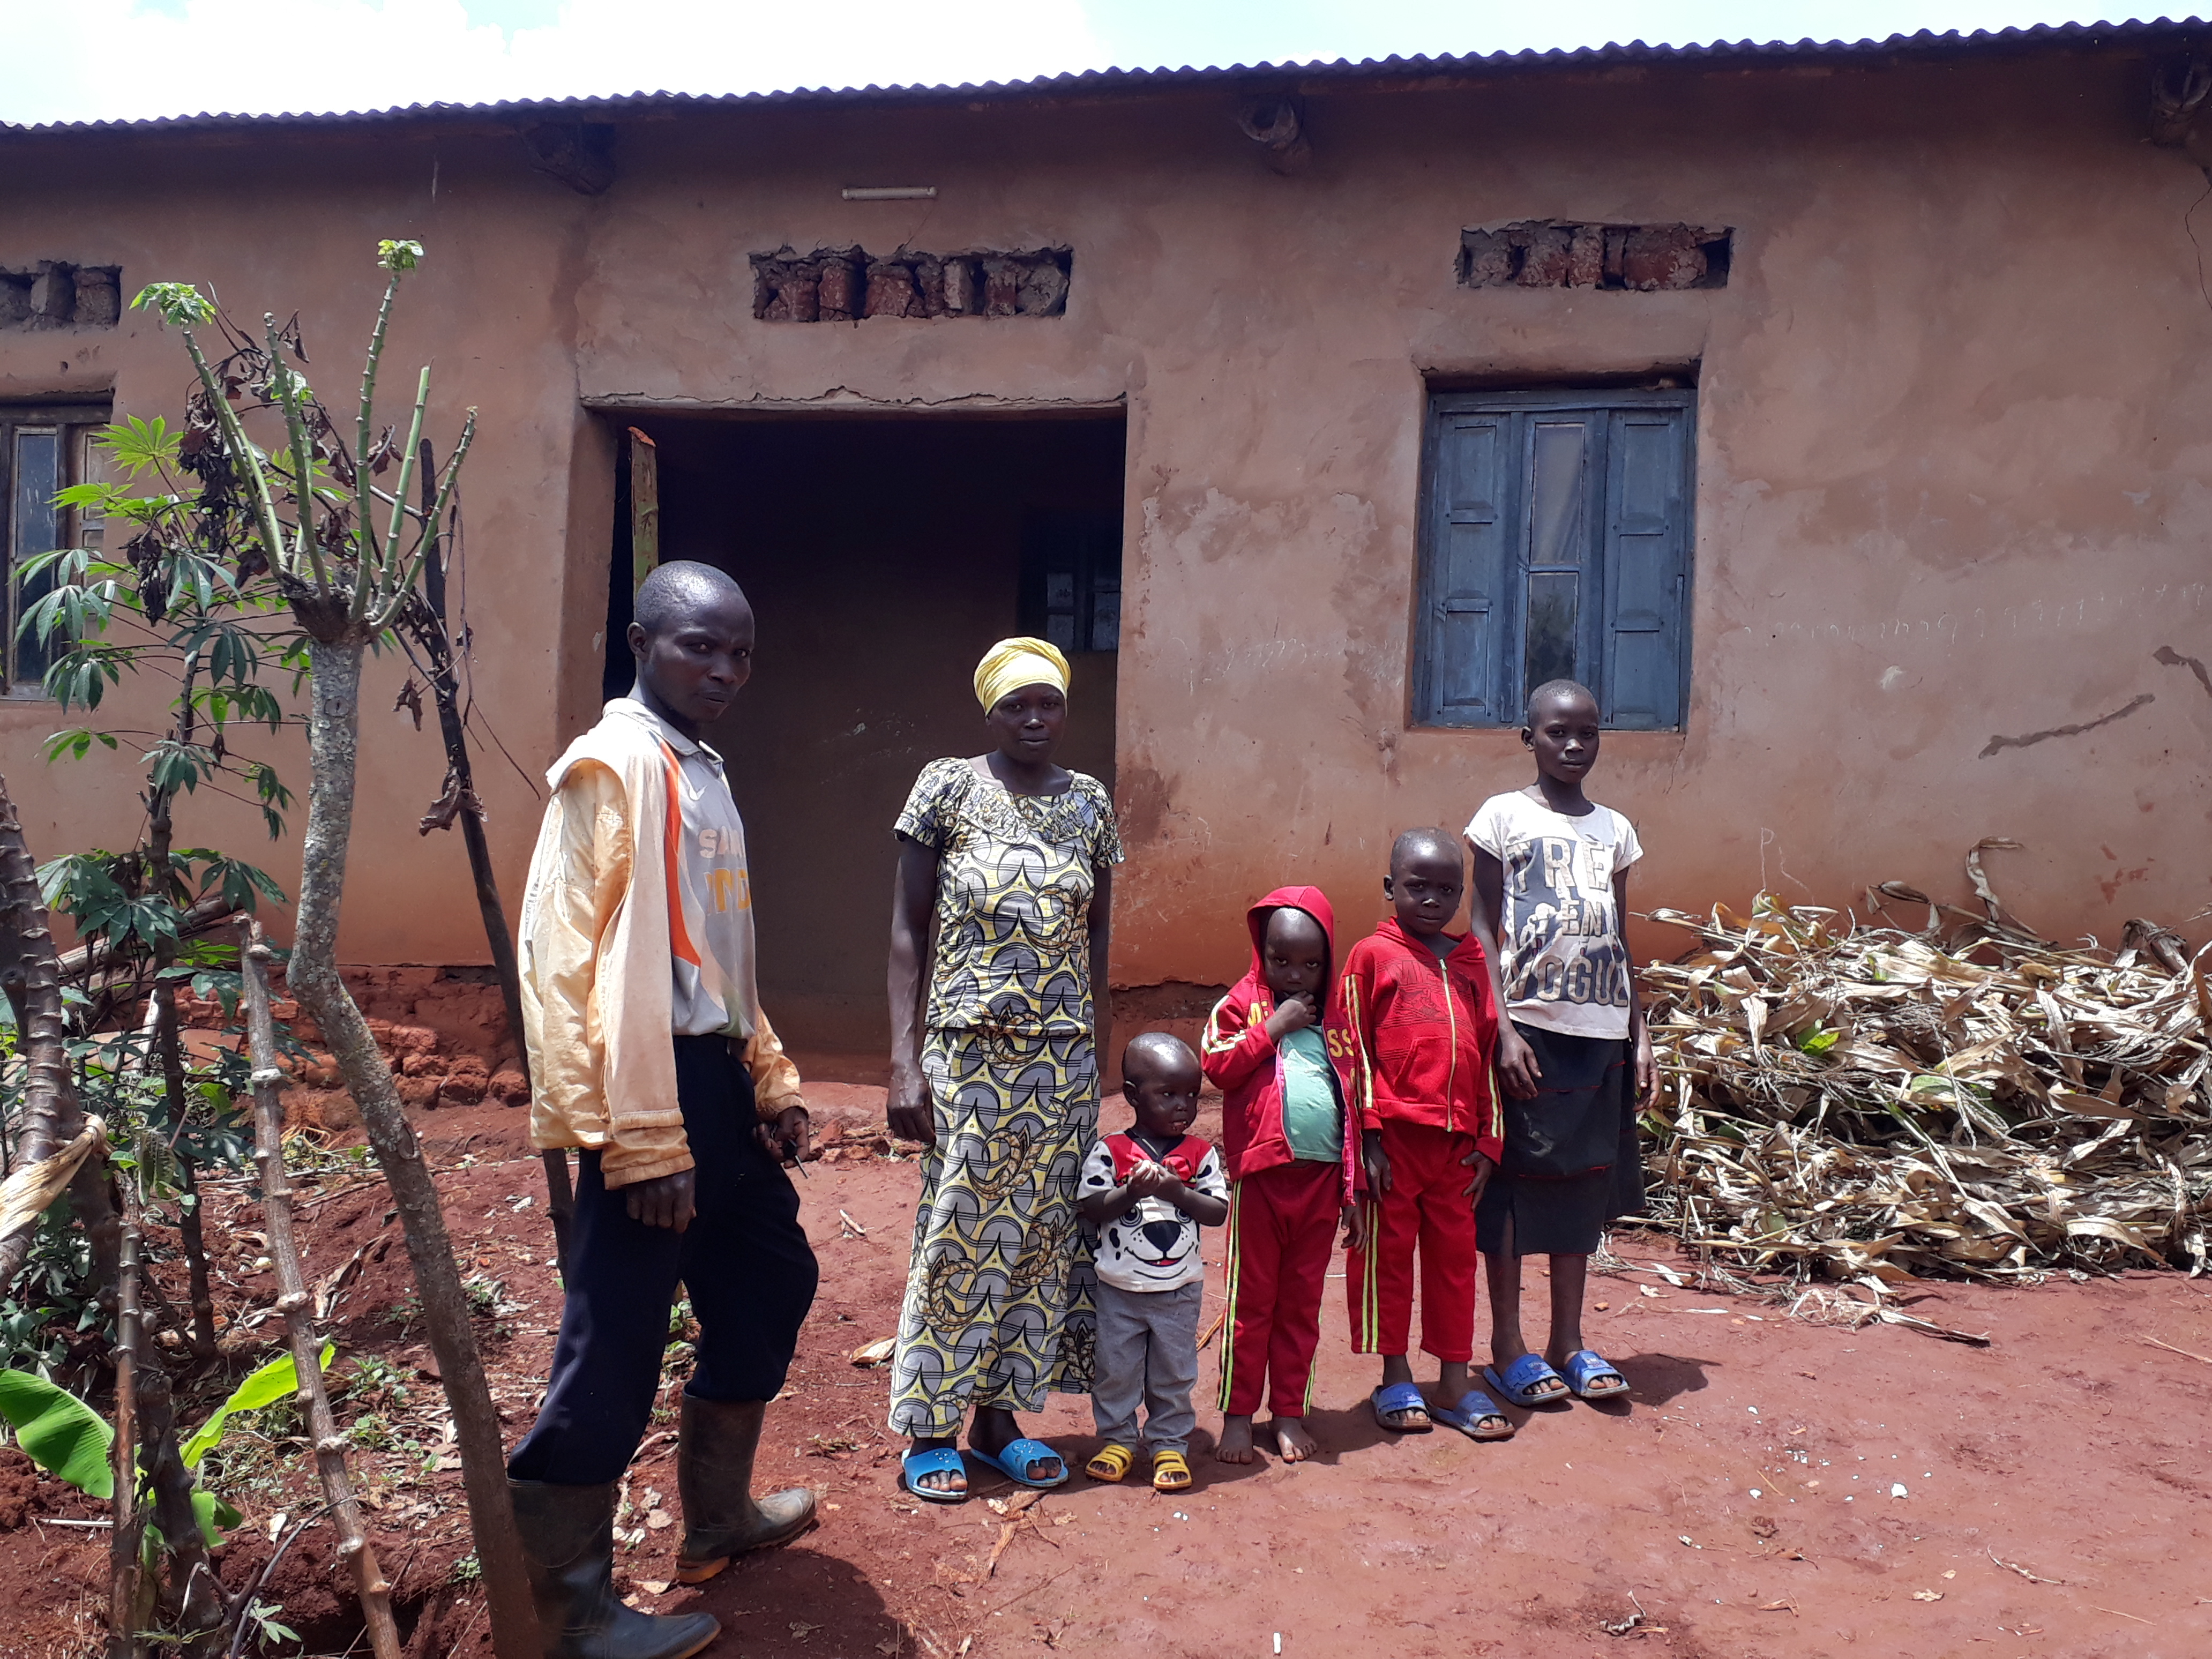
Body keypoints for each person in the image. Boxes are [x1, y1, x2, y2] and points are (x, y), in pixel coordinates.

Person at [506, 560, 820, 1659]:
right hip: (648, 1089)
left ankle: (718, 1516)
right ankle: (573, 1611)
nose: (725, 670)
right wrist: (633, 1135)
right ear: (641, 643)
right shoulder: (613, 765)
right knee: (615, 1343)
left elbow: (710, 953)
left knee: (776, 1278)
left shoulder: (701, 768)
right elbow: (563, 961)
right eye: (700, 646)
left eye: (739, 653)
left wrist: (767, 1073)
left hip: (712, 1080)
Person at [885, 637, 1125, 1503]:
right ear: (989, 712)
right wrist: (903, 1061)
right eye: (1015, 704)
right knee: (957, 1233)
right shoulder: (946, 786)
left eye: (1047, 703)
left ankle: (999, 1421)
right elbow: (908, 928)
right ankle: (927, 1425)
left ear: (1065, 709)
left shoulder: (1090, 803)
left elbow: (1094, 934)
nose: (1034, 719)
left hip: (1059, 1063)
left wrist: (1094, 1044)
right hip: (966, 1053)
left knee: (1039, 1242)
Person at [1464, 678, 1652, 1409]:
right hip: (1529, 1028)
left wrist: (1640, 1034)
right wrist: (1501, 1027)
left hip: (1599, 1032)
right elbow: (1480, 929)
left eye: (1588, 733)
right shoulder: (1502, 818)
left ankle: (1566, 1340)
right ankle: (1507, 1345)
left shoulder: (1617, 830)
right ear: (1529, 737)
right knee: (1512, 1185)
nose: (1574, 746)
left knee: (1583, 1186)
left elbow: (1621, 936)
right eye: (1557, 733)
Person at [1339, 830, 1513, 1441]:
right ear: (1391, 888)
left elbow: (1490, 1053)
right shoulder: (1371, 957)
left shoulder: (1470, 963)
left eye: (1447, 889)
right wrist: (1369, 1137)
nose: (1434, 900)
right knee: (1389, 1261)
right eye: (1418, 887)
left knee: (1453, 1266)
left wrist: (1489, 1143)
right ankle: (1395, 1376)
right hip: (1395, 1145)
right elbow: (1351, 1052)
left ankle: (1455, 1383)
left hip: (1458, 1153)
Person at [1200, 887, 1364, 1464]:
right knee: (1252, 1304)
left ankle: (1289, 1412)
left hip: (1319, 1186)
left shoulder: (1339, 1024)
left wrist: (1353, 1191)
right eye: (1282, 961)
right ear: (1261, 952)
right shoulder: (1240, 1005)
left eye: (1312, 965)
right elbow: (1217, 1066)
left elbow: (1354, 1107)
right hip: (1261, 1182)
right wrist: (1273, 1026)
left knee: (1301, 1305)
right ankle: (1239, 1416)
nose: (1297, 975)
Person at [1075, 1033, 1228, 1491]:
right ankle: (1118, 1440)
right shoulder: (1111, 1151)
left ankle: (1168, 1444)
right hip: (1119, 1290)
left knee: (1174, 1371)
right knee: (1116, 1371)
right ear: (1133, 1097)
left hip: (1179, 1291)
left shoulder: (1202, 1154)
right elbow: (1091, 1207)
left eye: (1191, 1096)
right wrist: (1132, 1192)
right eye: (1168, 1095)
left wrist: (1175, 1191)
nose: (1183, 1106)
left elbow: (1217, 1212)